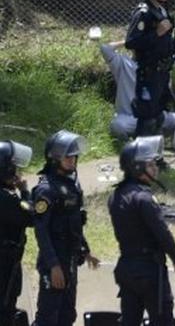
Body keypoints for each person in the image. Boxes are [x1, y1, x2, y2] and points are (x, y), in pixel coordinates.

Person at [109, 135, 175, 326]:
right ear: (138, 168)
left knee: (130, 319)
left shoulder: (116, 196)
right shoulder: (144, 198)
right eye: (151, 164)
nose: (156, 168)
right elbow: (161, 232)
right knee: (161, 320)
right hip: (149, 270)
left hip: (126, 266)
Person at [33, 130, 100, 326]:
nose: (73, 160)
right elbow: (41, 231)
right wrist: (54, 266)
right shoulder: (46, 190)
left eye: (74, 156)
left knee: (67, 315)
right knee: (48, 316)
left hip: (70, 259)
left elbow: (75, 223)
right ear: (55, 159)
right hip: (54, 260)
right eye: (67, 157)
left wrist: (85, 251)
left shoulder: (71, 186)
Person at [125, 0, 175, 136]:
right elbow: (131, 41)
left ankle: (155, 158)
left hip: (163, 73)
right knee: (148, 118)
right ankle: (140, 157)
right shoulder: (144, 12)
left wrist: (173, 46)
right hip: (149, 74)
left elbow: (164, 42)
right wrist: (156, 33)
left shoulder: (162, 11)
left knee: (158, 116)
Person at [100, 41, 175, 140]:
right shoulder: (123, 63)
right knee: (116, 126)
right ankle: (129, 143)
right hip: (130, 119)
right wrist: (131, 40)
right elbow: (105, 48)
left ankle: (156, 138)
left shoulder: (157, 66)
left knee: (174, 119)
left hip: (153, 118)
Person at [0, 140, 34, 325]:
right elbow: (30, 216)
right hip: (5, 265)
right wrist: (25, 191)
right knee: (5, 310)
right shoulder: (6, 199)